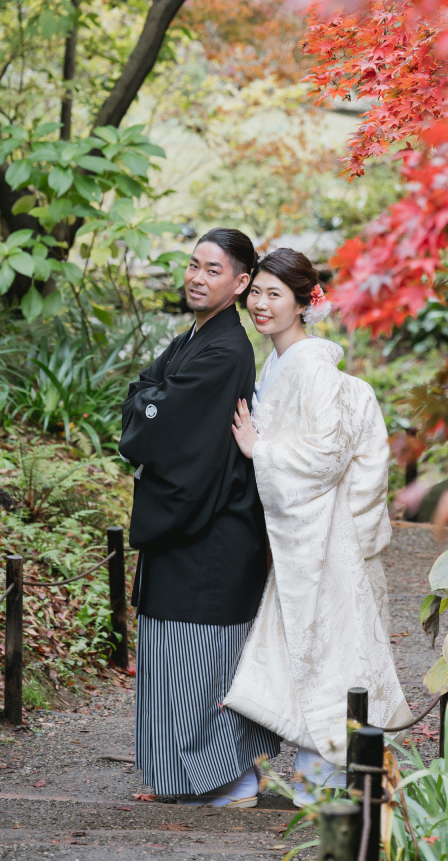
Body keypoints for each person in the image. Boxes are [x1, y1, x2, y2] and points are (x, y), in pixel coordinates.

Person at [224, 247, 410, 804]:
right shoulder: (283, 363)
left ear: (305, 304)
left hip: (322, 534)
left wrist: (263, 450)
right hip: (303, 529)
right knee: (309, 648)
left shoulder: (310, 367)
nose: (260, 303)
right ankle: (315, 779)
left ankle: (322, 781)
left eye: (274, 294)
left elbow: (326, 455)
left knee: (326, 649)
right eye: (255, 291)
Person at [120, 228, 280, 809]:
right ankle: (183, 779)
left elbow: (154, 421)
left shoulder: (225, 348)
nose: (197, 276)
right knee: (173, 662)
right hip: (189, 523)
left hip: (210, 529)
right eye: (194, 265)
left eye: (213, 270)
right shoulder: (198, 337)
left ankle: (225, 778)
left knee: (201, 664)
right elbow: (142, 396)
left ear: (240, 284)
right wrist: (148, 403)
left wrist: (147, 404)